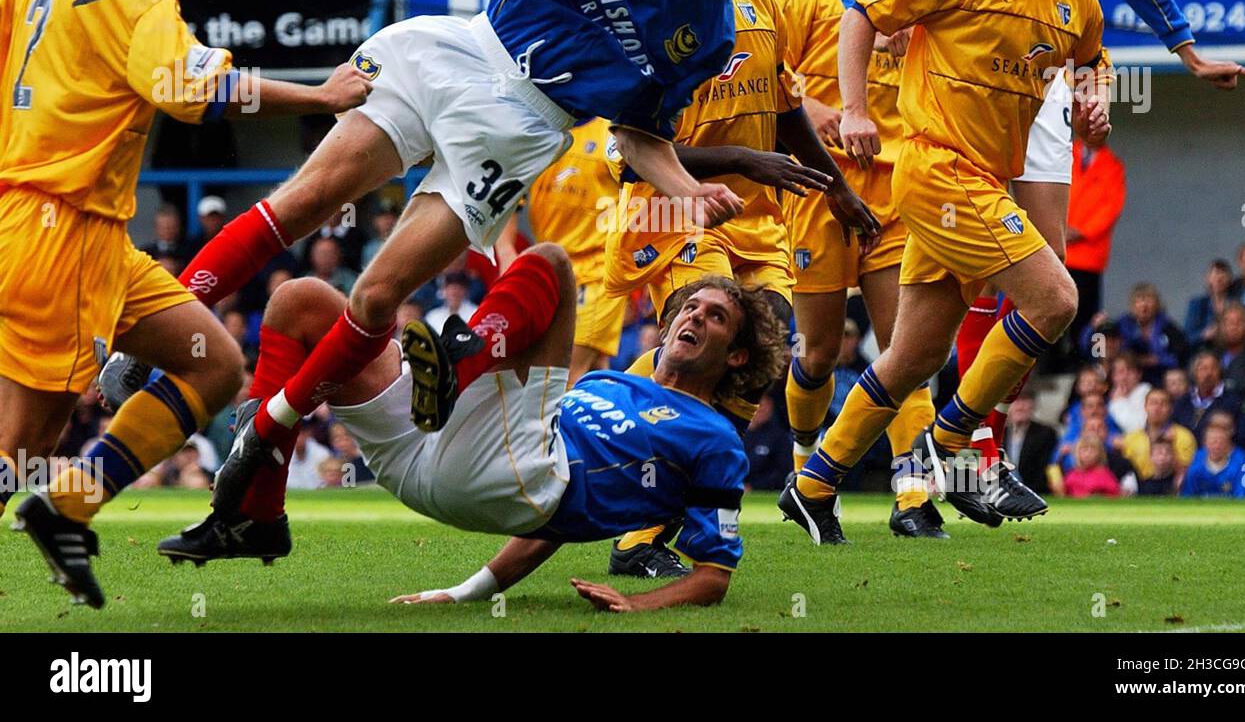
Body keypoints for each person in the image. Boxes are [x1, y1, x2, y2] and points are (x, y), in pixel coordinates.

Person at [105, 0, 840, 542]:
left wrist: (688, 187)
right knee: (304, 201)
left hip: (524, 125)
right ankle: (155, 335)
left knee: (374, 297)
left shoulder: (710, 37)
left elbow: (637, 134)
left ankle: (265, 434)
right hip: (464, 51)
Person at [2, 0, 372, 608]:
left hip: (89, 238)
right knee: (17, 452)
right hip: (57, 235)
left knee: (213, 362)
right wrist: (319, 96)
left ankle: (68, 506)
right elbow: (193, 91)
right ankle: (50, 496)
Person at [836, 0, 1245, 478]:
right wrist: (872, 9)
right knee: (985, 296)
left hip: (1038, 81)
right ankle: (950, 454)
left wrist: (1184, 52)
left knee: (1044, 276)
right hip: (958, 90)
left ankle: (974, 446)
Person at [784, 0, 1111, 543]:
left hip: (981, 182)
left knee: (912, 357)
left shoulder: (1076, 1)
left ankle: (812, 485)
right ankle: (953, 438)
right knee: (1055, 298)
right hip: (937, 171)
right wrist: (857, 108)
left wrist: (1095, 99)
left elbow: (1093, 62)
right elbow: (863, 10)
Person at [159, 249, 786, 613]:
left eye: (717, 317)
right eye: (690, 307)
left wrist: (639, 604)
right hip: (435, 463)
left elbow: (713, 574)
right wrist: (467, 591)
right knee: (302, 301)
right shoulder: (613, 382)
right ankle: (257, 514)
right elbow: (549, 531)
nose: (694, 317)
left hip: (515, 477)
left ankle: (459, 364)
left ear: (736, 355)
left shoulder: (713, 440)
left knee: (552, 265)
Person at [602, 0, 876, 574]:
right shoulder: (648, 4)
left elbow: (786, 110)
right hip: (676, 210)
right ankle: (631, 526)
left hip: (760, 223)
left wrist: (838, 190)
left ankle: (675, 506)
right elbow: (626, 153)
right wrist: (742, 162)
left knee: (751, 362)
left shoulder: (757, 0)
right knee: (701, 349)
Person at [774, 0, 944, 540]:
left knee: (907, 345)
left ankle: (913, 495)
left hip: (898, 194)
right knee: (817, 352)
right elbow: (760, 75)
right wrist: (826, 115)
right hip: (819, 188)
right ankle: (805, 472)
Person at [527, 118, 624, 383]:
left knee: (564, 372)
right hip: (549, 268)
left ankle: (550, 424)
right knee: (594, 369)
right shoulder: (539, 124)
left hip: (596, 272)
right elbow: (509, 198)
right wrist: (507, 258)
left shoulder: (613, 130)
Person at [1063, 140, 1125, 358]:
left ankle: (1081, 360)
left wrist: (1081, 231)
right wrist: (1057, 227)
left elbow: (1111, 207)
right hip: (1057, 248)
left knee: (1084, 314)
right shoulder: (1064, 152)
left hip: (1088, 255)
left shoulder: (1112, 166)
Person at [1120, 387, 1197, 481]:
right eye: (1153, 403)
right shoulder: (1131, 438)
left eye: (1163, 404)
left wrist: (1171, 447)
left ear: (1171, 409)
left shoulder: (1184, 436)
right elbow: (1127, 472)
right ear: (1145, 407)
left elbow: (1187, 473)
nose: (1157, 408)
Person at [1180, 415, 1245, 498]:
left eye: (1221, 442)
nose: (1217, 446)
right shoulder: (1196, 464)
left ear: (1228, 445)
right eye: (1213, 442)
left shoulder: (1241, 461)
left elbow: (1242, 495)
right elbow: (1188, 496)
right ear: (1205, 443)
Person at [1003, 394, 1057, 496]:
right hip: (1005, 494)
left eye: (1025, 402)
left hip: (1036, 492)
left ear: (1033, 406)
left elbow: (1046, 466)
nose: (1020, 406)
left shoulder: (1046, 433)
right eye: (1016, 402)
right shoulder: (999, 433)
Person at [1185, 260, 1237, 345]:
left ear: (1230, 279)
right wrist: (1204, 335)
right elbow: (1187, 336)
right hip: (1203, 350)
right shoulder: (1197, 304)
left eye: (1223, 276)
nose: (1219, 280)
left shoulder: (1236, 303)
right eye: (1215, 276)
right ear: (1208, 279)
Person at [1061, 434, 1121, 498]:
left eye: (1093, 450)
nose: (1088, 453)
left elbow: (1115, 496)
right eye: (1085, 449)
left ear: (1100, 454)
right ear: (1077, 453)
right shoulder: (1071, 475)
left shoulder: (1104, 475)